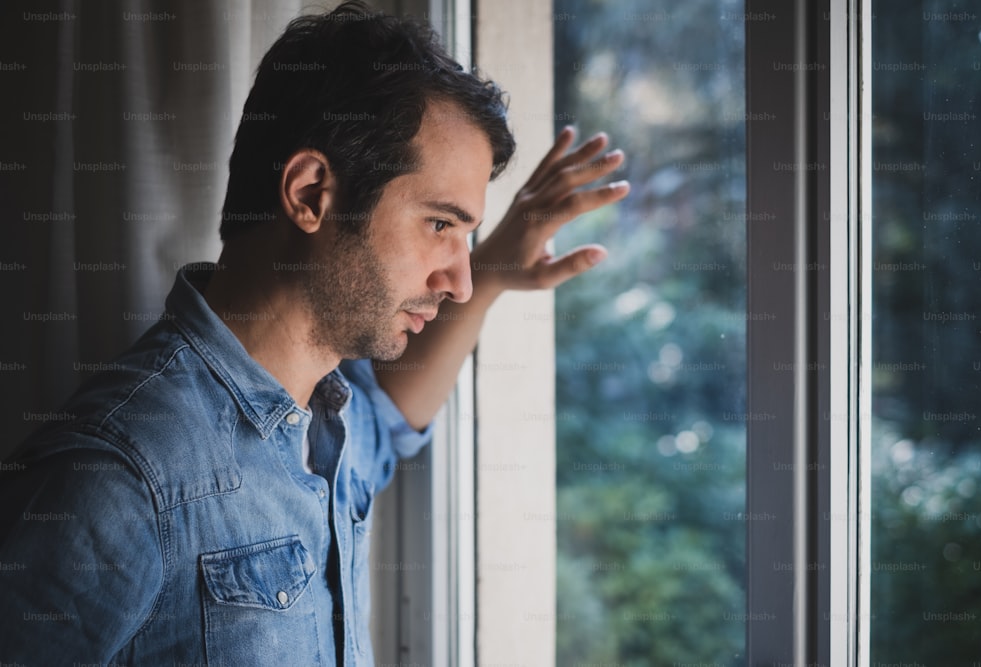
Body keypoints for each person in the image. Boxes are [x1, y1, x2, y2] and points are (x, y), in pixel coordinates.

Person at [0, 1, 628, 665]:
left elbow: (392, 417)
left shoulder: (331, 418)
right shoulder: (115, 478)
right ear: (310, 194)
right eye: (440, 224)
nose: (460, 282)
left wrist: (499, 263)